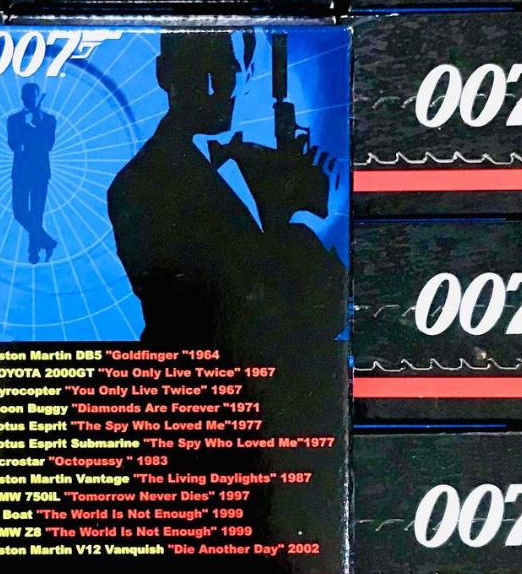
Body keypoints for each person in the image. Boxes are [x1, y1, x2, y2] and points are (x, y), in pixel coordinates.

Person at [106, 31, 344, 364]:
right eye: (191, 71)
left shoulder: (270, 165)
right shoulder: (136, 187)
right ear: (163, 73)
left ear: (248, 73)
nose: (208, 89)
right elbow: (214, 319)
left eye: (224, 69)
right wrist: (312, 223)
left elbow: (332, 312)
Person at [8, 82, 58, 264]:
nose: (29, 99)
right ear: (22, 98)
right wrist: (28, 127)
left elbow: (48, 145)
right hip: (20, 172)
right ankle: (48, 242)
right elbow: (14, 144)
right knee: (19, 211)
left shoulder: (49, 120)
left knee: (37, 213)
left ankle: (34, 252)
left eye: (32, 96)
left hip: (40, 172)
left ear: (37, 98)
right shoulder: (13, 119)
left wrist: (36, 125)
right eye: (26, 96)